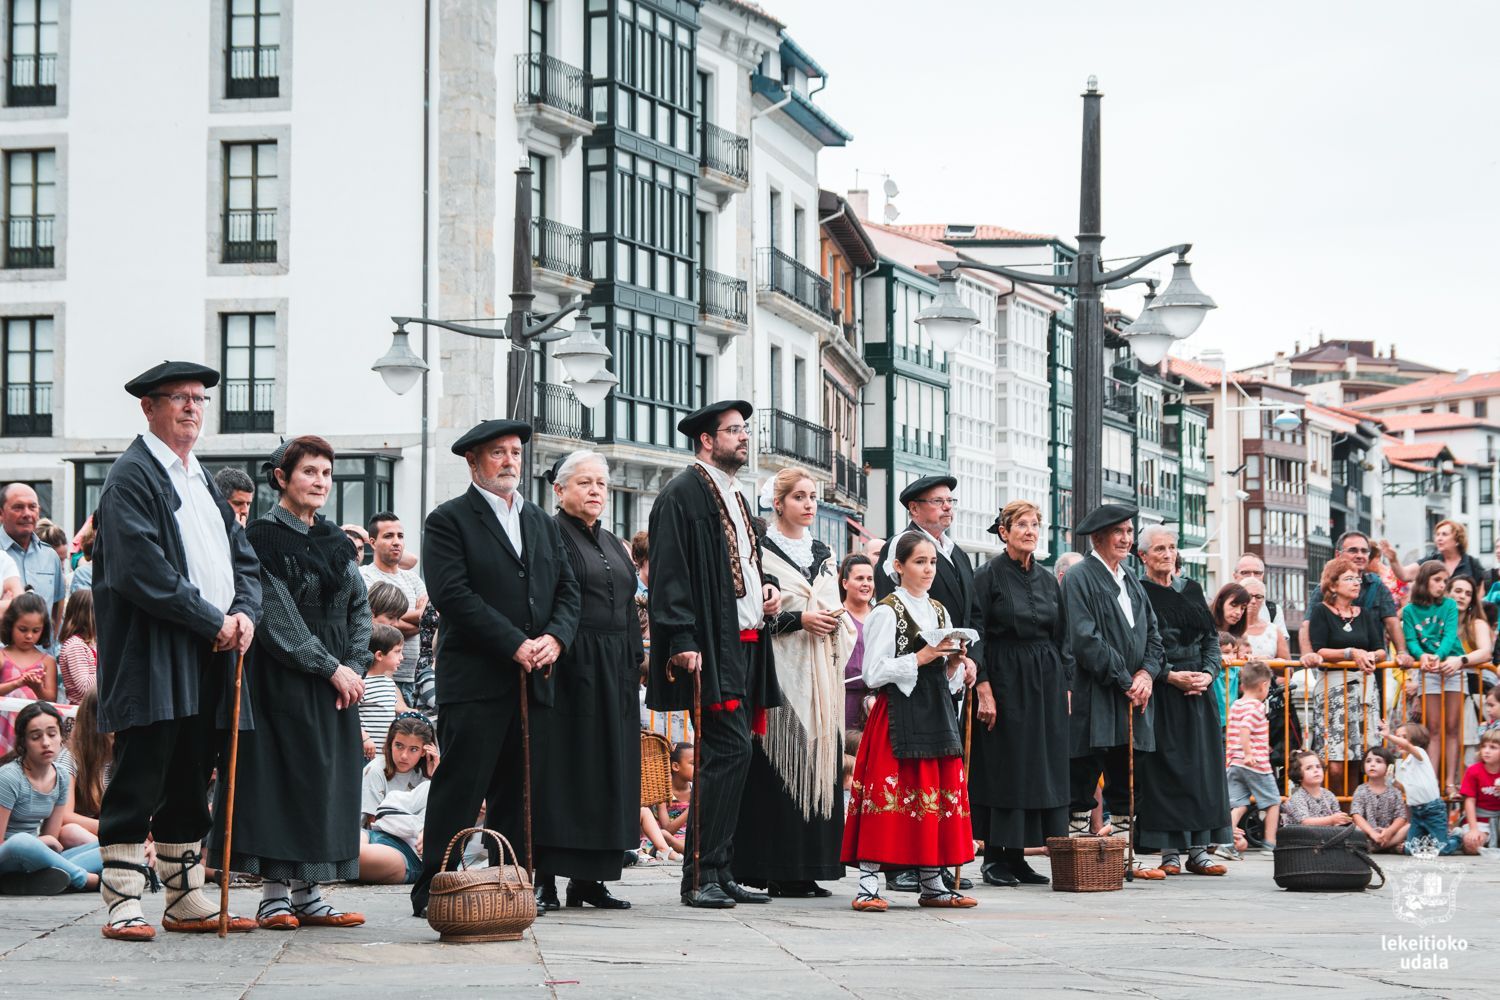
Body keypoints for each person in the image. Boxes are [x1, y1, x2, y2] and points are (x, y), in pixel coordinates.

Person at [94, 360, 260, 941]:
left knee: (192, 769)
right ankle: (122, 899)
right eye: (179, 397)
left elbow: (243, 558)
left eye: (199, 398)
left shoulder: (203, 479)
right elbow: (142, 571)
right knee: (142, 768)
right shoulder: (131, 477)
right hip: (155, 650)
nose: (192, 407)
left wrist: (245, 613)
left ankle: (185, 896)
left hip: (213, 648)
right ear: (149, 407)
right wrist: (212, 619)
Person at [412, 419, 580, 918]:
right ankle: (435, 888)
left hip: (534, 680)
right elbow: (453, 595)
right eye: (498, 453)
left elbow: (567, 590)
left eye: (515, 452)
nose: (510, 461)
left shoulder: (541, 521)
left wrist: (555, 638)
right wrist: (514, 644)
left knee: (521, 792)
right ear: (473, 462)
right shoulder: (448, 520)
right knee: (460, 788)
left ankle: (512, 887)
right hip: (476, 681)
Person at [207, 436, 370, 931]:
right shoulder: (261, 536)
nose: (320, 481)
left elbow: (360, 608)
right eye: (309, 472)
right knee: (282, 781)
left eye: (326, 473)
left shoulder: (336, 540)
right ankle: (274, 897)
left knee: (323, 783)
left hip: (338, 682)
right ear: (281, 478)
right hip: (284, 677)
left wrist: (354, 667)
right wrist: (330, 667)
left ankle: (309, 895)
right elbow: (276, 617)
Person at [645, 400, 783, 909]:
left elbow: (744, 564)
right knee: (727, 752)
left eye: (745, 429)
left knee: (736, 755)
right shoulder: (681, 494)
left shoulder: (735, 494)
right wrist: (682, 639)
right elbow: (669, 574)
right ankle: (699, 874)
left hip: (745, 642)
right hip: (711, 647)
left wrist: (767, 586)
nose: (744, 437)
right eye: (733, 430)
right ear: (707, 440)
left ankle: (720, 869)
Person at [841, 531, 978, 912]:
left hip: (935, 710)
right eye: (920, 562)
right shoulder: (887, 611)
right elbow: (873, 672)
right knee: (888, 793)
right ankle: (868, 883)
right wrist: (921, 656)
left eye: (932, 562)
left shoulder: (939, 611)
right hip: (897, 714)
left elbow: (946, 680)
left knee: (931, 792)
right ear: (898, 566)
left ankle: (932, 881)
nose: (929, 569)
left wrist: (954, 662)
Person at [530, 450, 643, 912]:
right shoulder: (547, 534)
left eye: (601, 483)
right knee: (564, 772)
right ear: (559, 490)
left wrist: (636, 662)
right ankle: (545, 880)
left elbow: (629, 606)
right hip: (571, 666)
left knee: (607, 773)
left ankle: (589, 880)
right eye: (585, 483)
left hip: (615, 670)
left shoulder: (613, 542)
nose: (596, 491)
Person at [731, 468, 845, 899]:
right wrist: (799, 619)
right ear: (778, 503)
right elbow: (753, 612)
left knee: (819, 764)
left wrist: (831, 620)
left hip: (820, 673)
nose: (809, 504)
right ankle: (774, 867)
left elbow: (834, 602)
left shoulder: (823, 552)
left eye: (812, 496)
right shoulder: (762, 552)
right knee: (777, 770)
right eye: (799, 496)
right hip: (778, 671)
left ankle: (810, 866)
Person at [968, 501, 1072, 887]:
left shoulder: (1047, 579)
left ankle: (1019, 856)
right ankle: (995, 857)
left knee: (1038, 766)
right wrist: (983, 686)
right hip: (1005, 678)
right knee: (1006, 764)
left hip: (1045, 681)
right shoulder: (987, 576)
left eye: (1035, 524)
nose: (1030, 531)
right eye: (1022, 525)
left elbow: (1062, 635)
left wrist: (1065, 685)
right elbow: (976, 632)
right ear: (1004, 532)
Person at [1062, 504, 1165, 868]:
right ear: (1098, 537)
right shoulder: (1079, 577)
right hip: (1096, 694)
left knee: (1127, 778)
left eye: (1129, 531)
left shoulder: (1130, 578)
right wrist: (1125, 679)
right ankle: (1076, 858)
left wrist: (1146, 674)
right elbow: (1084, 639)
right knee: (1084, 774)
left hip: (1133, 697)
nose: (1126, 538)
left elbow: (1154, 635)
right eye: (1118, 531)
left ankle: (1125, 857)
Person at [1136, 525, 1231, 875]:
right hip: (1164, 691)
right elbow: (1140, 644)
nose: (1167, 554)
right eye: (1159, 549)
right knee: (1165, 771)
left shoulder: (1191, 588)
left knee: (1202, 771)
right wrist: (1169, 675)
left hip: (1199, 693)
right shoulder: (1139, 592)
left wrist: (1208, 673)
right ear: (1143, 556)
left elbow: (1210, 640)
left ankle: (1199, 850)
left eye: (1172, 548)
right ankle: (1169, 852)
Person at [1303, 556, 1387, 795]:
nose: (1356, 583)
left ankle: (1353, 810)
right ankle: (1334, 807)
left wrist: (1370, 656)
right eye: (1349, 578)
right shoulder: (1321, 611)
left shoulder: (1364, 613)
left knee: (1361, 759)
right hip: (1334, 691)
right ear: (1332, 584)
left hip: (1363, 691)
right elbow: (1320, 649)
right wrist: (1351, 653)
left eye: (1357, 579)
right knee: (1335, 762)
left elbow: (1380, 649)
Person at [0, 702, 101, 894]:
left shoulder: (61, 776)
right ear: (23, 743)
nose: (46, 742)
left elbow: (53, 840)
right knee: (22, 841)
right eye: (36, 737)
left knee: (111, 846)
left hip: (38, 856)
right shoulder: (9, 777)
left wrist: (43, 844)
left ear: (62, 736)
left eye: (52, 734)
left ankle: (29, 881)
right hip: (10, 853)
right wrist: (39, 843)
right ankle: (86, 879)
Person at [1299, 531, 1413, 673]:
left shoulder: (1377, 586)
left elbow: (1392, 622)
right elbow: (1306, 625)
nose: (1360, 555)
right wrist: (1308, 655)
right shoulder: (1323, 589)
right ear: (1338, 554)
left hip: (1371, 669)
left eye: (1364, 551)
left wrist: (1401, 652)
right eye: (1353, 550)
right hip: (1333, 672)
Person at [1402, 560, 1467, 793]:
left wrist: (1438, 656)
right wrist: (1422, 656)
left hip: (1451, 667)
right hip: (1428, 670)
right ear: (1424, 580)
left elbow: (1449, 635)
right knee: (1434, 729)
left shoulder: (1449, 605)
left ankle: (1449, 782)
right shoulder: (1409, 610)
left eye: (1445, 581)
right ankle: (1432, 783)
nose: (1442, 585)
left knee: (1453, 727)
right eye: (1437, 580)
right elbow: (1411, 640)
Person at [358, 713, 438, 885]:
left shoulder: (427, 775)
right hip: (375, 833)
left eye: (413, 749)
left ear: (425, 751)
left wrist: (436, 778)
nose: (404, 756)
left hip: (408, 850)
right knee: (345, 849)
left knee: (354, 857)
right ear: (390, 744)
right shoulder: (377, 769)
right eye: (399, 746)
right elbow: (374, 820)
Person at [359, 513, 427, 707]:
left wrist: (415, 618)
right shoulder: (364, 576)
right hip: (378, 676)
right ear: (372, 542)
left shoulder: (413, 578)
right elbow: (377, 624)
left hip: (414, 676)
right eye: (388, 536)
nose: (396, 542)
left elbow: (431, 617)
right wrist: (420, 619)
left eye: (400, 536)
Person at [1377, 720, 1465, 855]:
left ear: (1415, 739)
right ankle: (1431, 840)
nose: (1400, 740)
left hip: (1433, 809)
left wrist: (1388, 736)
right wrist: (1392, 781)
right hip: (1416, 812)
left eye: (1404, 736)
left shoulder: (1419, 753)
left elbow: (1407, 745)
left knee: (1443, 849)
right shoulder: (1402, 764)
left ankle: (1457, 836)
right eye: (1398, 736)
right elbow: (1404, 788)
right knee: (1410, 850)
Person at [1226, 660, 1280, 850]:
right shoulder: (1257, 706)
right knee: (1273, 802)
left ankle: (1226, 841)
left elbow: (1235, 732)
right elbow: (1245, 729)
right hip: (1255, 764)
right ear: (1263, 685)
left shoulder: (1236, 704)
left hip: (1235, 762)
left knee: (1239, 804)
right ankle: (1270, 842)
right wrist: (1249, 753)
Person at [1, 484, 67, 640]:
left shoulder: (50, 556)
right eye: (18, 507)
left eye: (32, 507)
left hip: (41, 654)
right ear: (1, 513)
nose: (27, 514)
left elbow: (57, 607)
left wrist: (48, 646)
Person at [58, 690, 110, 837]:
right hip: (85, 834)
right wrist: (115, 828)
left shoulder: (121, 754)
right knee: (71, 832)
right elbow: (64, 816)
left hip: (110, 829)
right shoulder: (70, 757)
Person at [359, 623, 408, 761]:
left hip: (384, 755)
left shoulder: (390, 683)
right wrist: (364, 738)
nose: (402, 657)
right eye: (397, 651)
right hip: (365, 754)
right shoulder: (361, 684)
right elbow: (350, 716)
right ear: (379, 655)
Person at [840, 554, 876, 731]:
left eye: (870, 579)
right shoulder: (836, 615)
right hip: (844, 702)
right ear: (845, 583)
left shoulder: (881, 615)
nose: (866, 583)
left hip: (876, 702)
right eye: (860, 578)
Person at [1350, 746, 1408, 853]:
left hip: (1388, 835)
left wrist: (1389, 831)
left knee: (1408, 827)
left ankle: (1380, 846)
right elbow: (1356, 815)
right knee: (1354, 829)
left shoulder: (1395, 791)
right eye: (1368, 761)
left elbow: (1401, 817)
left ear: (1389, 767)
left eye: (1378, 761)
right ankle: (1387, 846)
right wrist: (1372, 833)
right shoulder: (1361, 790)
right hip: (1367, 834)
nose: (1372, 764)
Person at [1394, 519, 1486, 586]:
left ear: (1457, 540)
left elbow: (1480, 596)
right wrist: (1393, 559)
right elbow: (1405, 575)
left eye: (1444, 534)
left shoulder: (1472, 564)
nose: (1439, 538)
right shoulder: (1431, 561)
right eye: (1437, 534)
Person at [1209, 583, 1251, 722]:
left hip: (1231, 709)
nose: (1238, 612)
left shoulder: (1241, 637)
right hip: (1208, 704)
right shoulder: (1205, 628)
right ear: (1221, 603)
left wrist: (1246, 660)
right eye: (1234, 605)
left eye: (1243, 608)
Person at [1279, 750, 1349, 828]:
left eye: (1318, 766)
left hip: (1326, 834)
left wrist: (1342, 820)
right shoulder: (1297, 798)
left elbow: (1337, 817)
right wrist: (1331, 820)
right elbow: (1305, 822)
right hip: (1302, 835)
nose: (1316, 770)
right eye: (1309, 768)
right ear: (1298, 774)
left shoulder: (1329, 794)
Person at [1460, 730, 1500, 851]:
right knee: (1472, 845)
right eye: (1483, 746)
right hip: (1480, 820)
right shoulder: (1473, 771)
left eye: (1493, 747)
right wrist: (1473, 829)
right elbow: (1469, 801)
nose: (1486, 751)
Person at [56, 590, 97, 703]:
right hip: (82, 711)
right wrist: (108, 668)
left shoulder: (89, 644)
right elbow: (85, 687)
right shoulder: (75, 646)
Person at [1239, 577, 1289, 661]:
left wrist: (1268, 661)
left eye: (1258, 597)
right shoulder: (1229, 627)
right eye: (1249, 596)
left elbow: (1288, 666)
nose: (1253, 601)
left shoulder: (1274, 631)